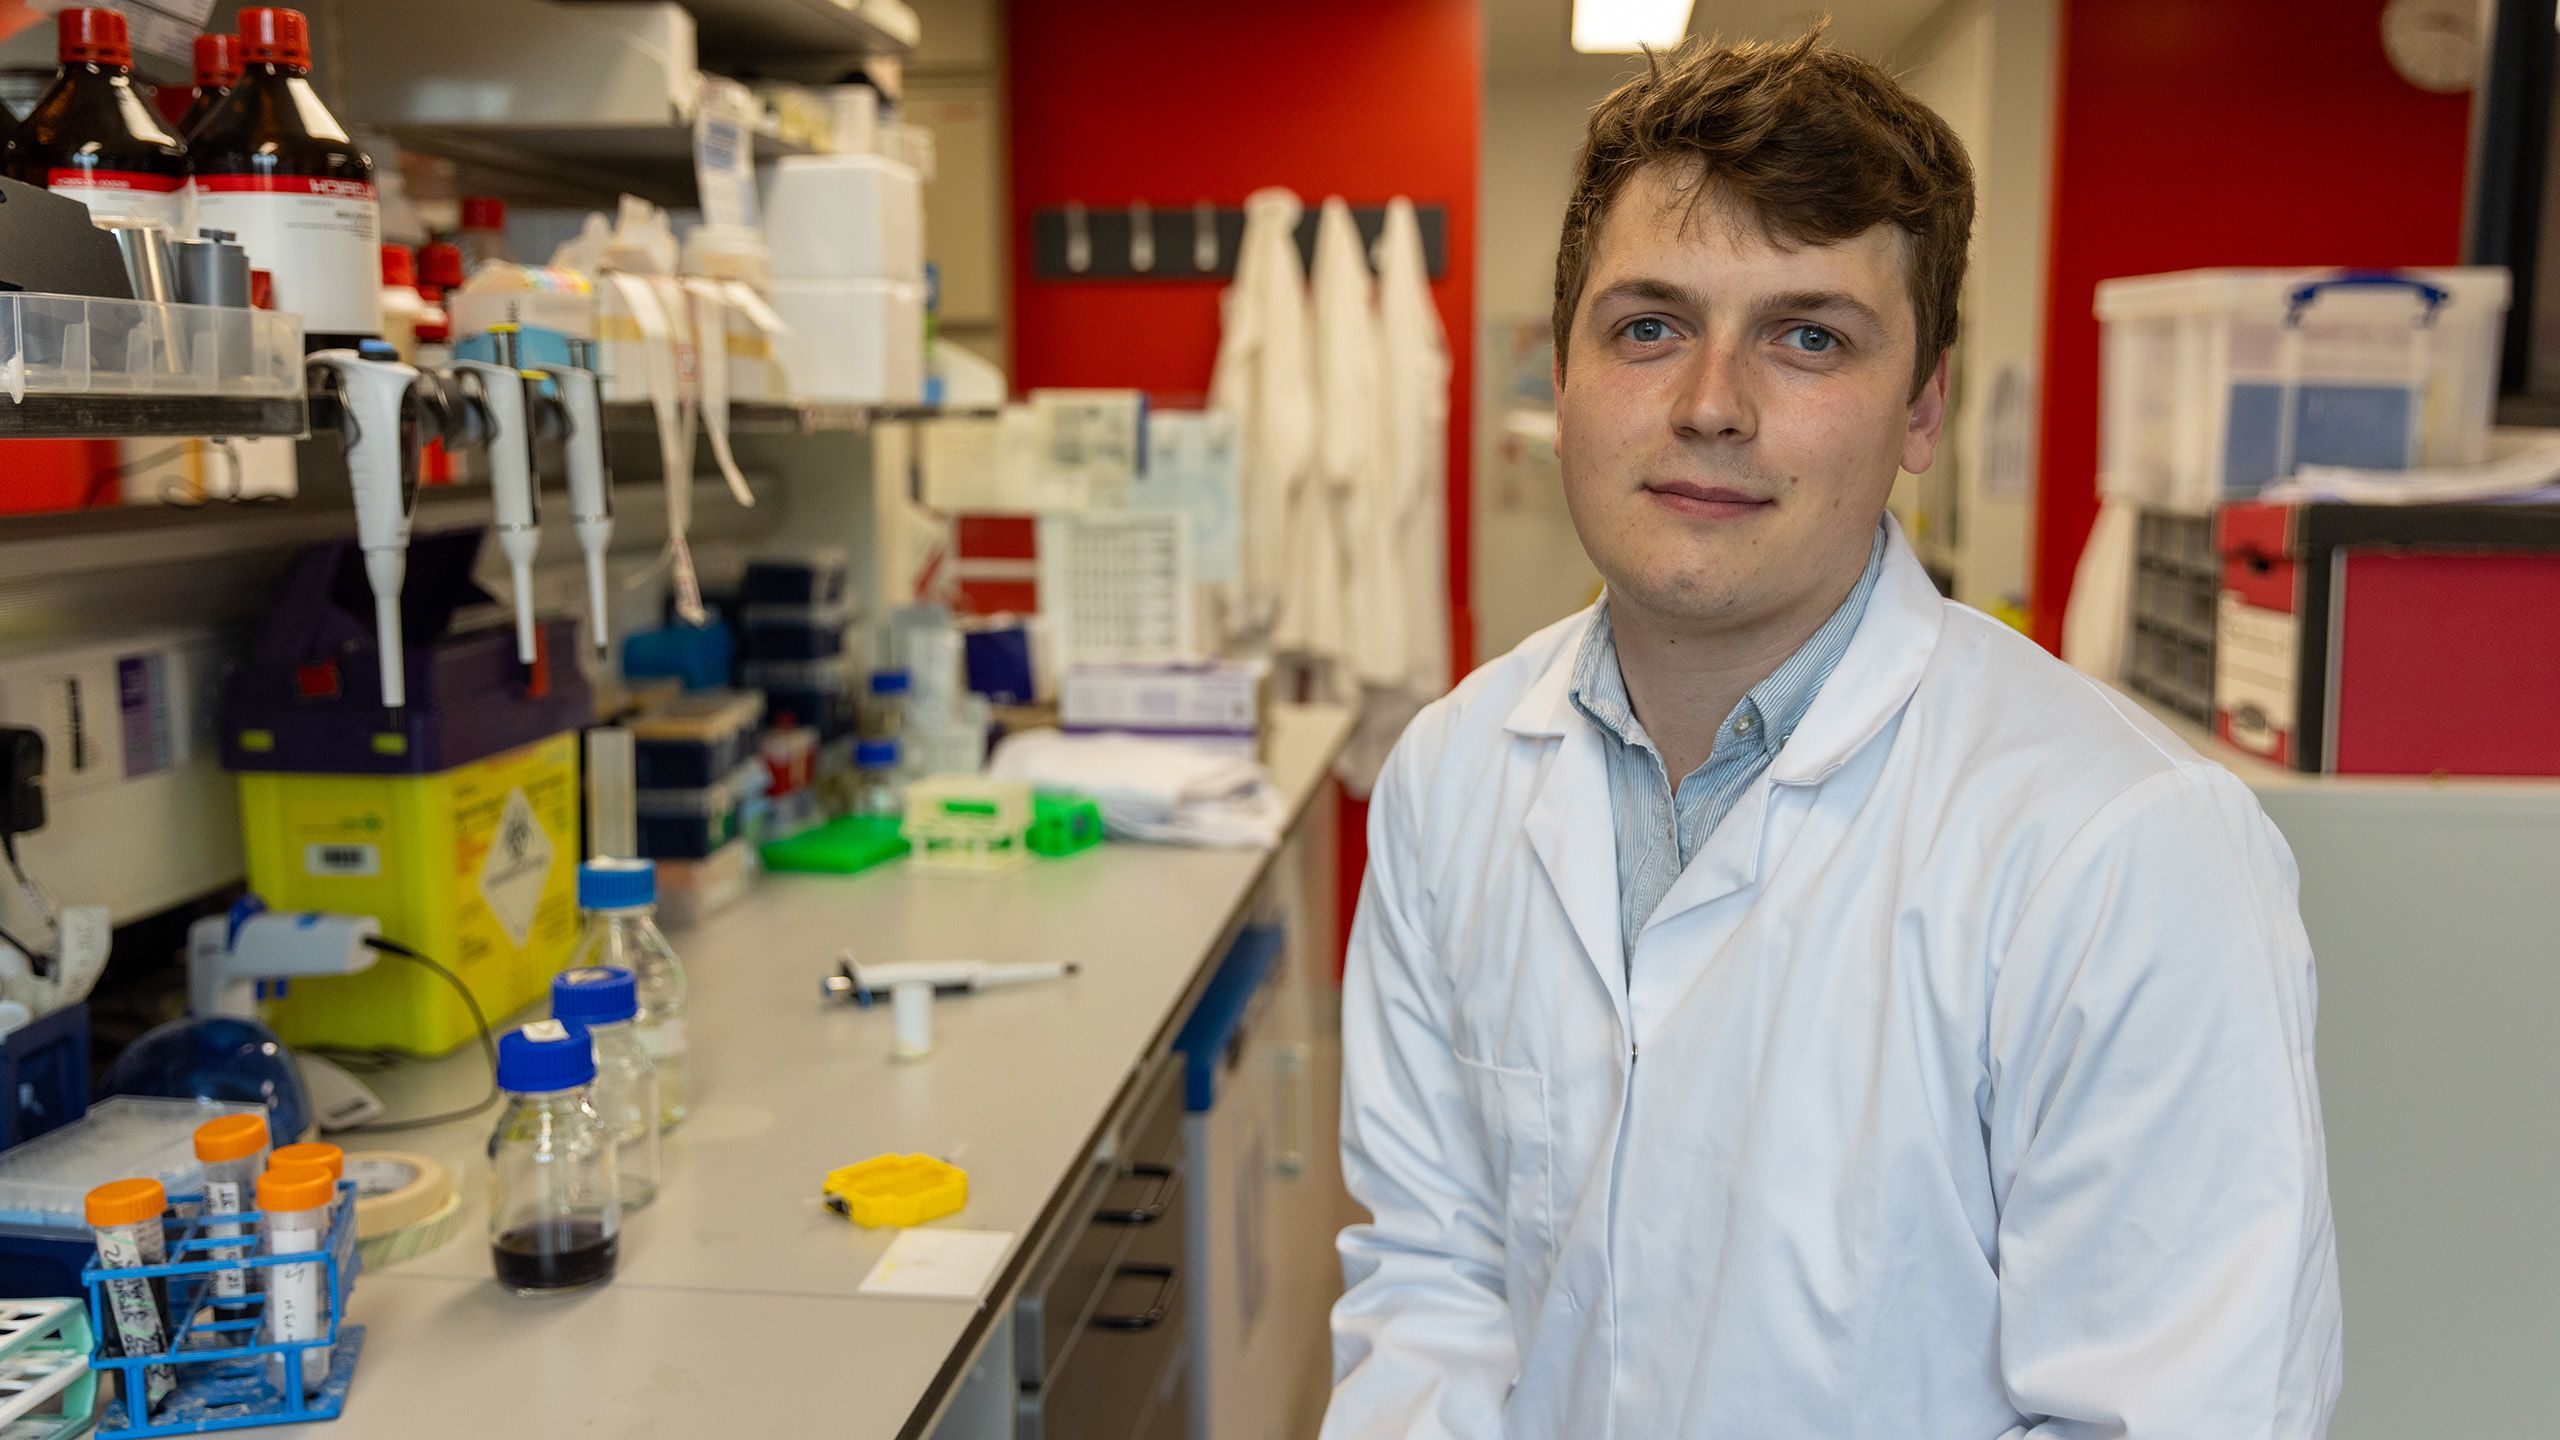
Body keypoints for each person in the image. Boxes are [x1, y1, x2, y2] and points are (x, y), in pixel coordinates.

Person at [1321, 30, 2341, 1440]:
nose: (1712, 406)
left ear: (1922, 406)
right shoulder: (1450, 774)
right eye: (1650, 326)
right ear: (1559, 379)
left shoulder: (2126, 851)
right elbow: (1433, 1281)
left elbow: (2181, 1414)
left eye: (1810, 337)